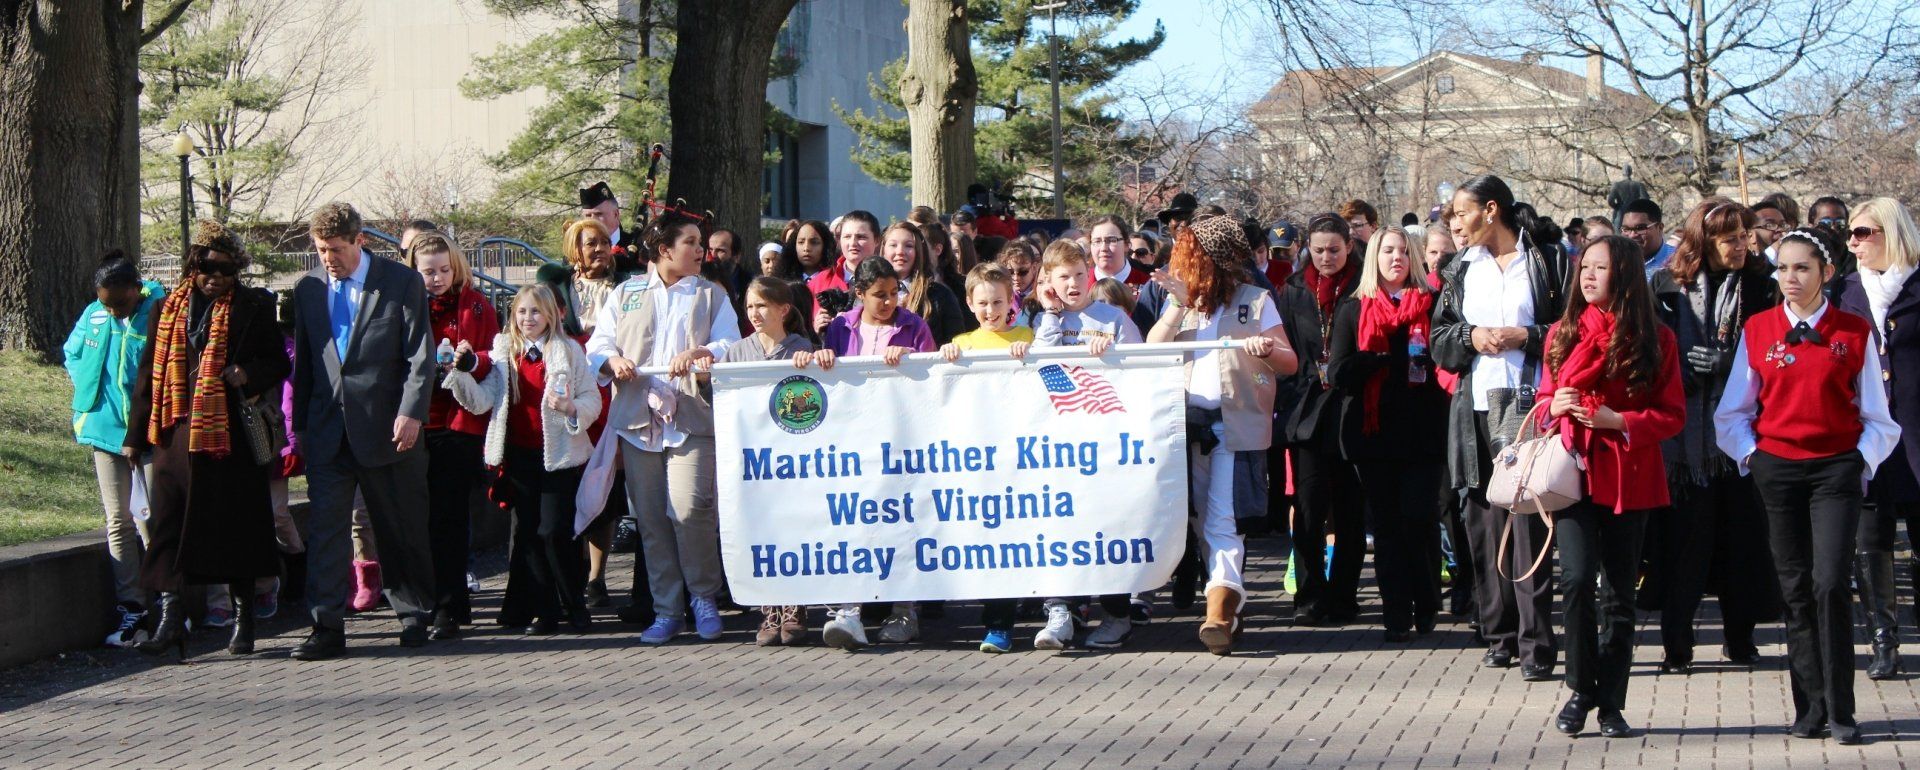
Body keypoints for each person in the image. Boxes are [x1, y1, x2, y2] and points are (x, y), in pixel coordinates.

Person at [1714, 226, 1900, 746]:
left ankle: (1843, 710)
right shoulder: (1758, 328)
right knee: (1795, 590)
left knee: (1830, 584)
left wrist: (1858, 463)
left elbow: (1879, 418)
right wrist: (1755, 458)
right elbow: (1732, 413)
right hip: (1778, 470)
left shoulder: (1854, 331)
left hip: (1836, 472)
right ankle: (1810, 708)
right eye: (1783, 268)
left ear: (1826, 274)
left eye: (1802, 268)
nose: (1790, 278)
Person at [1538, 235, 1686, 738]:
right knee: (1577, 581)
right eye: (1585, 267)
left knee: (1619, 596)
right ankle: (1581, 689)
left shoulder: (1656, 338)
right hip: (1573, 473)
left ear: (1623, 274)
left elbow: (1671, 415)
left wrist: (1618, 420)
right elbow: (1541, 402)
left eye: (1600, 268)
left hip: (1629, 476)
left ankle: (1611, 704)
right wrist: (1553, 408)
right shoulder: (1562, 332)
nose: (1589, 276)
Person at [126, 220, 291, 660]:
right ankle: (169, 621)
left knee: (237, 529)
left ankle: (244, 621)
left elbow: (278, 361)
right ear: (191, 267)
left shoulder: (254, 305)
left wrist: (248, 374)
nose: (214, 277)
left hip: (229, 438)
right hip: (175, 436)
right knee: (169, 530)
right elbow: (148, 375)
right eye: (205, 267)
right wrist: (134, 435)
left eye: (225, 269)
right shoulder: (168, 309)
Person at [1433, 175, 1567, 680]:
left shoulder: (1549, 260)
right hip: (1475, 409)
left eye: (1461, 213)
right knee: (1483, 518)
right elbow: (1440, 336)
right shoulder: (1459, 268)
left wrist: (1524, 335)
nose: (1455, 223)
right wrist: (1472, 335)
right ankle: (1499, 633)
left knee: (1531, 519)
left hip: (1531, 405)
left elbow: (1569, 330)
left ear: (1491, 210)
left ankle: (1538, 643)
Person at [290, 201, 438, 660]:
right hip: (329, 432)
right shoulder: (309, 289)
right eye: (320, 250)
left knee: (399, 526)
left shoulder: (400, 282)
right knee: (328, 531)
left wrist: (412, 412)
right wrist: (300, 431)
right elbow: (309, 366)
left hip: (388, 426)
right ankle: (325, 625)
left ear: (360, 241)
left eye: (336, 249)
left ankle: (413, 614)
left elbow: (420, 354)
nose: (328, 258)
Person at [587, 211, 741, 645]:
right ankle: (667, 609)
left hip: (691, 415)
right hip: (638, 418)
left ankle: (704, 597)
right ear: (664, 250)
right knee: (651, 519)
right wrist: (611, 360)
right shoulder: (626, 292)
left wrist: (701, 352)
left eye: (700, 242)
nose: (700, 250)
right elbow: (599, 344)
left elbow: (730, 343)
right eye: (691, 242)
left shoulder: (712, 295)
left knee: (691, 510)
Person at [1146, 214, 1297, 654]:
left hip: (1235, 428)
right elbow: (1154, 349)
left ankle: (1218, 613)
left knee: (1223, 520)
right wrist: (1176, 305)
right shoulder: (1183, 303)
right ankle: (1230, 604)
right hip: (1186, 428)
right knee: (1200, 522)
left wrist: (1267, 349)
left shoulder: (1256, 300)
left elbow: (1289, 362)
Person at [1641, 199, 1780, 674]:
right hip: (1683, 441)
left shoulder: (1763, 287)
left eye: (1746, 235)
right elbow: (1649, 347)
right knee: (1683, 546)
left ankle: (1740, 639)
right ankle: (1676, 646)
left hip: (1742, 436)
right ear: (1705, 241)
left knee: (1740, 542)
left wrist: (1733, 364)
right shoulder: (1665, 286)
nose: (1743, 245)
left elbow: (1775, 349)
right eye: (1731, 238)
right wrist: (1680, 370)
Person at [451, 286, 601, 635]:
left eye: (535, 312)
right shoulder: (505, 352)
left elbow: (591, 398)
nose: (528, 319)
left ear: (550, 315)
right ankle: (545, 610)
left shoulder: (567, 351)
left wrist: (571, 409)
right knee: (529, 535)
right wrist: (459, 375)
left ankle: (574, 604)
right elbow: (483, 400)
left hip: (559, 456)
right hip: (519, 456)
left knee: (554, 531)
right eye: (521, 312)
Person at [806, 258, 935, 649]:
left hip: (901, 438)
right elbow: (829, 381)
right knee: (857, 521)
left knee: (903, 523)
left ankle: (905, 610)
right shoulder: (841, 327)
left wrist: (910, 365)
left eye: (894, 292)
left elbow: (933, 380)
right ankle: (850, 610)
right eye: (879, 295)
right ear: (858, 293)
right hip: (854, 439)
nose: (889, 301)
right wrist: (823, 356)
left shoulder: (914, 325)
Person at [1325, 226, 1446, 642]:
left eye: (1403, 251)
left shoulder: (1431, 304)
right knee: (1389, 529)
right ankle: (1396, 614)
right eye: (1387, 251)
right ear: (1374, 258)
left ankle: (1427, 600)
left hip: (1424, 430)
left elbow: (1447, 360)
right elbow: (1337, 372)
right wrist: (1372, 362)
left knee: (1420, 517)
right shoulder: (1354, 308)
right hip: (1373, 433)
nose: (1396, 258)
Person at [937, 264, 1041, 652]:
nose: (990, 310)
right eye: (982, 303)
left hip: (1021, 457)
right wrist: (945, 356)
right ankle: (995, 620)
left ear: (1010, 300)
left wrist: (1028, 353)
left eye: (998, 301)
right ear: (969, 302)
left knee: (1018, 540)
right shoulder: (961, 342)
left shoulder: (1027, 335)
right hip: (976, 459)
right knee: (989, 542)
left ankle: (1022, 618)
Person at [1838, 197, 1920, 680]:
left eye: (1863, 232)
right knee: (1872, 540)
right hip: (1868, 432)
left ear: (1892, 234)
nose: (1853, 242)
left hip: (1916, 428)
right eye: (1851, 233)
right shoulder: (1846, 291)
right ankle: (1883, 641)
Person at [65, 252, 164, 647]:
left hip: (150, 434)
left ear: (136, 290)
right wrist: (89, 389)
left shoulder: (157, 311)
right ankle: (132, 607)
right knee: (118, 520)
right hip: (105, 432)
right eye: (105, 302)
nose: (112, 309)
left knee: (152, 520)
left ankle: (168, 605)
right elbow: (72, 353)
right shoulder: (95, 314)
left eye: (119, 303)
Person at [711, 277, 817, 646]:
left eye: (763, 306)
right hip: (752, 459)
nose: (755, 314)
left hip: (791, 459)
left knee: (793, 530)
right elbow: (719, 397)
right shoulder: (737, 352)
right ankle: (768, 606)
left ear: (783, 309)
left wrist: (813, 364)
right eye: (751, 306)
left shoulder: (799, 348)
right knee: (760, 533)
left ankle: (795, 604)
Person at [406, 231, 499, 640]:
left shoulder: (476, 305)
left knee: (449, 518)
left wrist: (470, 361)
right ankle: (420, 601)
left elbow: (494, 362)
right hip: (413, 422)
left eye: (444, 269)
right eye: (428, 271)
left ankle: (451, 606)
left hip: (457, 424)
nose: (437, 278)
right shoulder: (403, 305)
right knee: (415, 519)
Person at [1276, 214, 1364, 626]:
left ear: (1348, 246)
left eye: (1334, 249)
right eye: (1318, 249)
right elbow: (1287, 351)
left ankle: (1344, 594)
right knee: (1309, 504)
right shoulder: (1293, 290)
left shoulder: (1363, 286)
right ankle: (1309, 595)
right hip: (1308, 407)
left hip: (1351, 407)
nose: (1326, 257)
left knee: (1348, 507)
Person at [1034, 240, 1143, 349]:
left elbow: (1136, 359)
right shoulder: (1043, 320)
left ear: (1087, 272)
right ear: (1049, 279)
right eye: (1064, 277)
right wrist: (1052, 312)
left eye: (1079, 274)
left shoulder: (1116, 318)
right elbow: (1042, 360)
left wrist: (1111, 352)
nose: (1074, 283)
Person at [880, 221, 969, 344]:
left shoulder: (939, 295)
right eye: (893, 245)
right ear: (883, 250)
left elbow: (956, 340)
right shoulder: (870, 292)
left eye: (909, 246)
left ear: (918, 251)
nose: (900, 251)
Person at [809, 210, 880, 321]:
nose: (852, 243)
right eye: (847, 236)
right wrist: (816, 329)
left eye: (861, 237)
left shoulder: (888, 281)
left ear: (876, 240)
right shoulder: (817, 283)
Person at [581, 180, 642, 275]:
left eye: (599, 214)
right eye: (588, 215)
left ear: (616, 214)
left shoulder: (637, 245)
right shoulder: (578, 249)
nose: (593, 220)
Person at [1621, 198, 1674, 276]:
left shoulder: (1679, 260)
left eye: (1640, 228)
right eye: (1626, 229)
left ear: (1660, 228)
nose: (1632, 235)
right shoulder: (1616, 261)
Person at [1606, 164, 1650, 229]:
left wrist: (1617, 207)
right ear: (1631, 172)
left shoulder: (1617, 185)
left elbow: (1610, 201)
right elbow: (1645, 199)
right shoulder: (1639, 185)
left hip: (1620, 214)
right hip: (1635, 213)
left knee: (1618, 235)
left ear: (1622, 173)